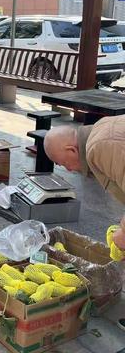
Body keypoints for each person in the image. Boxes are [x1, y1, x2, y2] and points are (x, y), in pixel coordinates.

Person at [44, 119, 125, 331]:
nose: (69, 170)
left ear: (71, 149)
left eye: (63, 164)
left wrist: (122, 233)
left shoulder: (99, 148)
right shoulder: (99, 132)